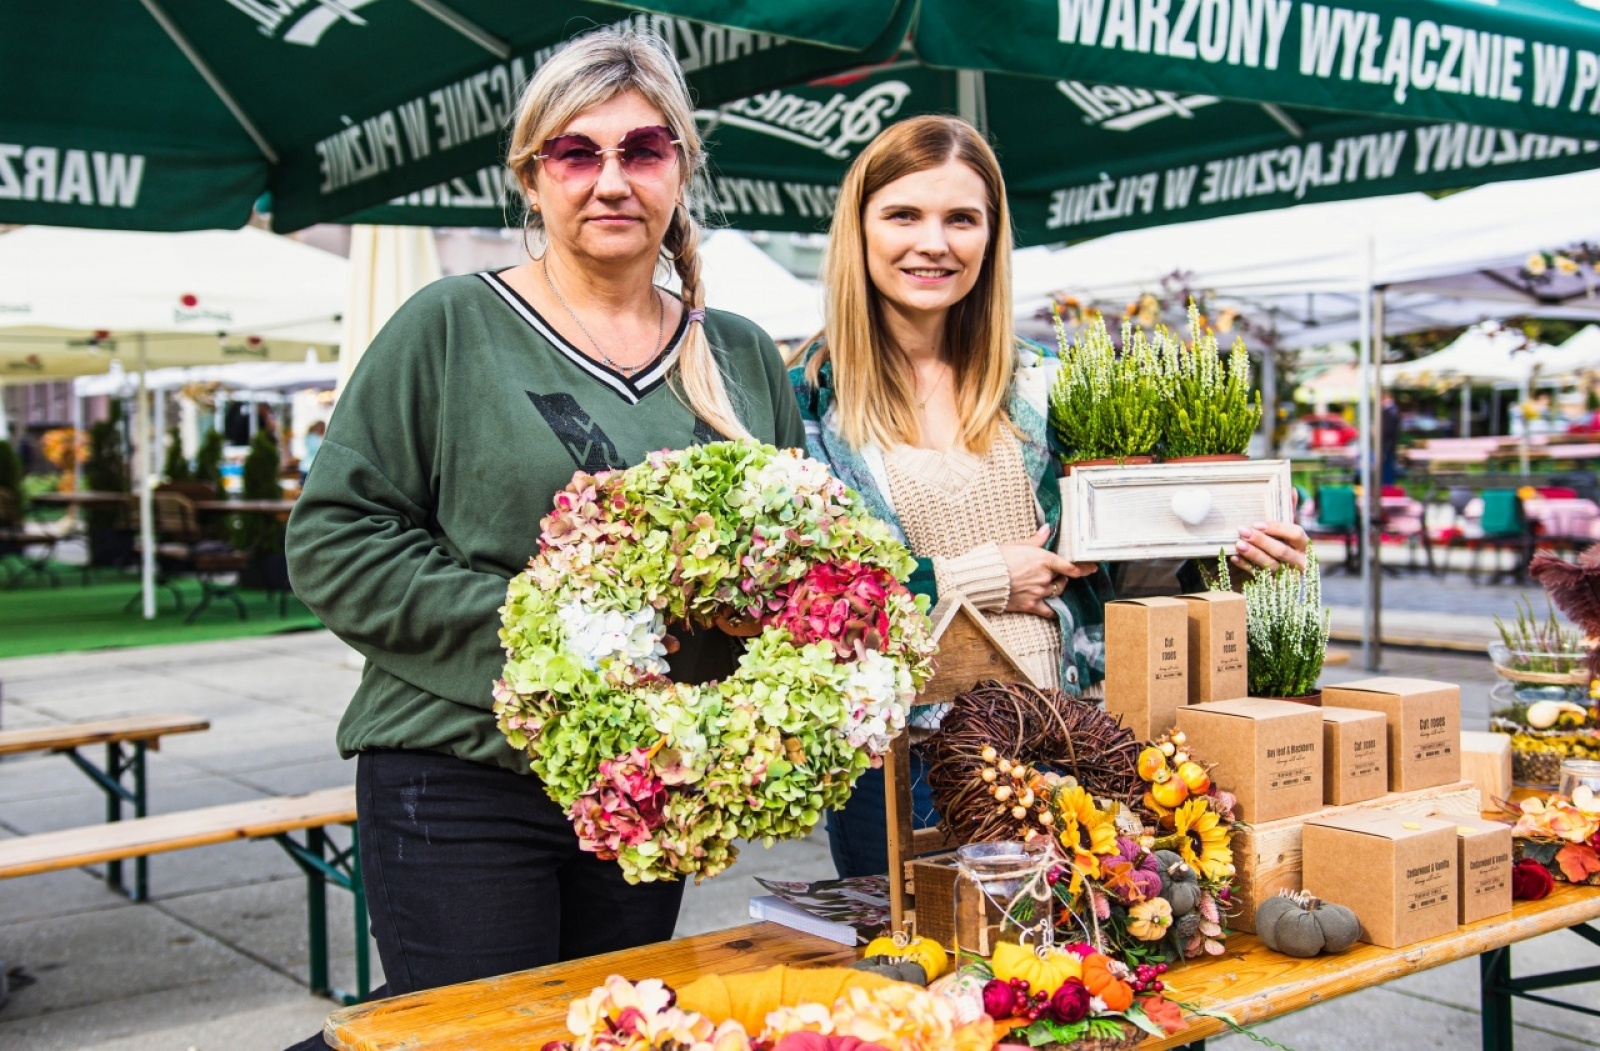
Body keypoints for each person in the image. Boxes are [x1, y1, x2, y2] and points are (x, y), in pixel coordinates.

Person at [282, 28, 801, 1046]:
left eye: (643, 150)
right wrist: (554, 633)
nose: (610, 180)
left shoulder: (737, 353)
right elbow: (337, 539)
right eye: (576, 153)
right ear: (530, 176)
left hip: (643, 792)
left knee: (613, 1035)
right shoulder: (448, 325)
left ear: (682, 167)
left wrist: (766, 677)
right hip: (459, 774)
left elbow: (791, 581)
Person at [790, 115, 1307, 879]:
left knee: (1075, 981)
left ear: (990, 240)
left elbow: (1125, 567)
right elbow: (802, 598)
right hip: (903, 762)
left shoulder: (1051, 386)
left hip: (1077, 740)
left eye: (961, 219)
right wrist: (978, 576)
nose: (933, 242)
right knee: (923, 981)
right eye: (903, 214)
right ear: (858, 228)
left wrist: (1232, 558)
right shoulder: (806, 400)